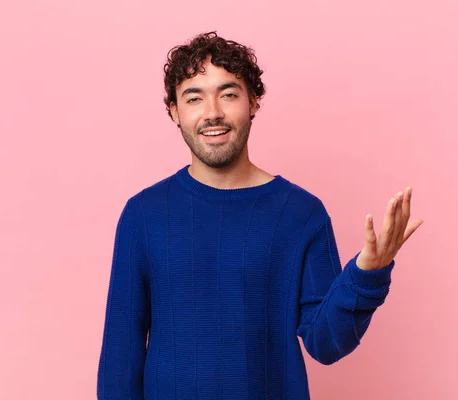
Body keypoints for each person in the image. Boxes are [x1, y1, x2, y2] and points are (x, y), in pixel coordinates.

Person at [96, 31, 423, 400]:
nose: (213, 112)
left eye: (229, 94)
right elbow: (119, 361)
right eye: (194, 98)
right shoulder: (142, 215)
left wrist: (368, 275)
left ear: (254, 101)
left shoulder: (302, 214)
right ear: (174, 111)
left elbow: (326, 343)